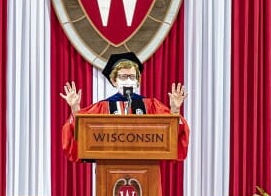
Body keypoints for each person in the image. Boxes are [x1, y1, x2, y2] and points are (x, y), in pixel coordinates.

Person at [60, 52, 189, 162]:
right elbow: (80, 135)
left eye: (132, 77)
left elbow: (173, 135)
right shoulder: (103, 107)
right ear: (114, 81)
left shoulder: (151, 106)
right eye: (123, 76)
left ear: (137, 81)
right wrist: (75, 108)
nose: (128, 80)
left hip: (147, 169)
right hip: (108, 169)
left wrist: (175, 110)